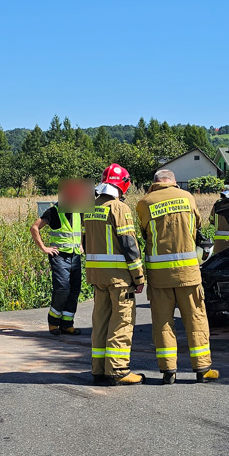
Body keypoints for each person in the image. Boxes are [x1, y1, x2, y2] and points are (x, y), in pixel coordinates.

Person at [136, 169, 218, 385]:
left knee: (163, 323)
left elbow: (145, 234)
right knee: (195, 320)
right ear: (173, 183)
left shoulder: (144, 203)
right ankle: (202, 369)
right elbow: (198, 227)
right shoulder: (188, 197)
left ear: (154, 183)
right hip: (189, 275)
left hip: (160, 276)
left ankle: (168, 371)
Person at [83, 164, 146, 385]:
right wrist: (138, 277)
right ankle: (118, 371)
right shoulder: (119, 208)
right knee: (121, 323)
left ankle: (99, 370)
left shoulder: (90, 207)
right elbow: (129, 245)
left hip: (97, 277)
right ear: (124, 184)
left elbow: (85, 240)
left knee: (100, 323)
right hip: (119, 278)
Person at [30, 200, 83, 336]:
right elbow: (34, 227)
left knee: (74, 290)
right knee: (62, 289)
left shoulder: (79, 211)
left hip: (75, 256)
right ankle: (53, 322)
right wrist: (44, 248)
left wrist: (81, 244)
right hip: (59, 256)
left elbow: (79, 230)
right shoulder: (53, 212)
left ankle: (67, 324)